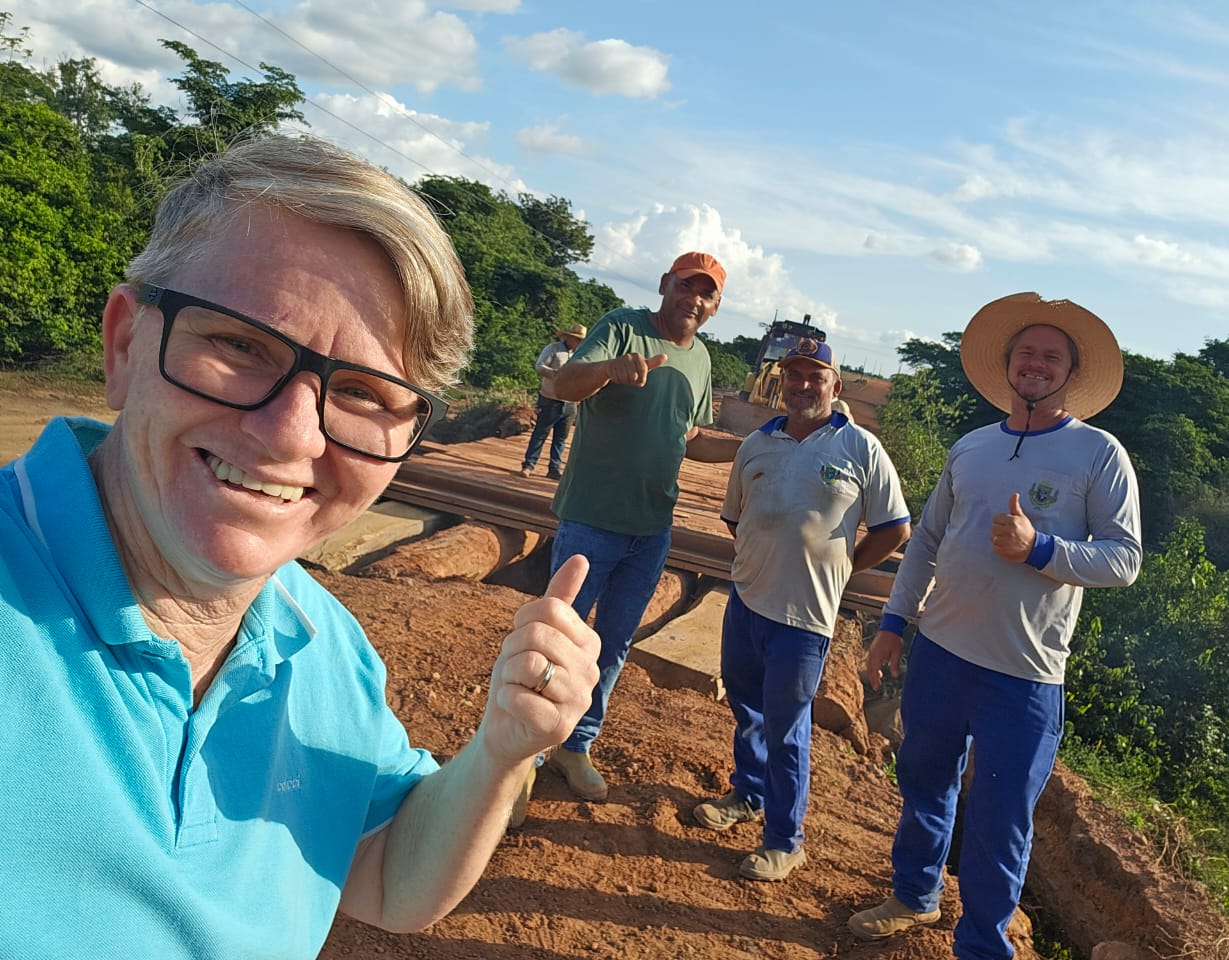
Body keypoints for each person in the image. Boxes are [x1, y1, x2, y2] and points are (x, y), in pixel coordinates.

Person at [0, 135, 601, 960]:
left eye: (361, 392)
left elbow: (386, 871)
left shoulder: (321, 645)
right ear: (125, 344)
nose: (290, 435)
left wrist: (500, 753)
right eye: (241, 345)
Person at [848, 293, 1142, 959]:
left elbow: (1124, 560)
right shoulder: (973, 446)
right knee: (924, 781)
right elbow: (926, 542)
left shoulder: (1099, 454)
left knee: (1001, 818)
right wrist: (894, 622)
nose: (1036, 364)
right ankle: (915, 894)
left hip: (1024, 674)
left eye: (1051, 356)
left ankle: (982, 946)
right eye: (1026, 353)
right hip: (940, 652)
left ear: (1072, 372)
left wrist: (1041, 549)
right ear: (1007, 364)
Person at [694, 338, 911, 881]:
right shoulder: (756, 444)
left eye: (816, 376)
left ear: (835, 385)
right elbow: (735, 517)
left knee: (787, 727)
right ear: (782, 382)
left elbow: (895, 528)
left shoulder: (861, 448)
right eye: (795, 375)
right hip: (747, 600)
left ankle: (784, 841)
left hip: (805, 617)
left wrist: (845, 565)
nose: (804, 385)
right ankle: (748, 794)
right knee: (747, 707)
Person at [538, 251, 742, 802]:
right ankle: (523, 756)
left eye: (706, 293)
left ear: (716, 306)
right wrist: (609, 369)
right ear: (664, 284)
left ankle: (574, 746)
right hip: (591, 521)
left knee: (613, 645)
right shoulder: (621, 327)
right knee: (558, 639)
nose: (694, 299)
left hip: (651, 530)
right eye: (686, 286)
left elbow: (690, 436)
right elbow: (564, 385)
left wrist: (750, 448)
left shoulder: (701, 358)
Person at [520, 323, 587, 480]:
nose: (579, 343)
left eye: (581, 340)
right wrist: (556, 374)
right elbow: (539, 366)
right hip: (550, 399)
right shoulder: (554, 349)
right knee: (540, 433)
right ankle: (529, 465)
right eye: (577, 339)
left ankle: (554, 469)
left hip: (570, 402)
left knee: (561, 438)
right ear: (568, 337)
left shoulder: (582, 355)